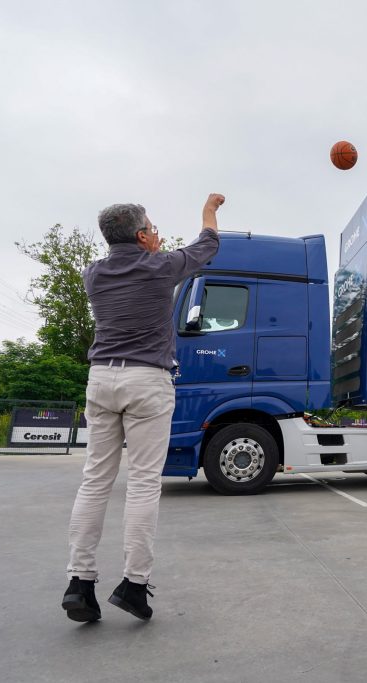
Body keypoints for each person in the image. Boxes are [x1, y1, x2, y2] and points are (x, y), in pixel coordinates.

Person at [61, 194, 224, 623]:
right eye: (151, 227)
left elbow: (133, 264)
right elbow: (207, 244)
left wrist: (148, 248)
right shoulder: (161, 266)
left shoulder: (93, 273)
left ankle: (79, 583)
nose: (155, 232)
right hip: (147, 380)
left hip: (101, 379)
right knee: (144, 483)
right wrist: (209, 208)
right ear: (140, 235)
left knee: (95, 481)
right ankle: (134, 585)